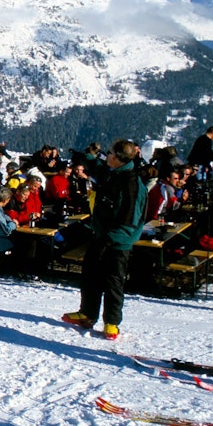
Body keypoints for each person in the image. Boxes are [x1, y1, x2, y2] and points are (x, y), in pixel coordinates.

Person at [63, 139, 147, 340]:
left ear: (117, 158)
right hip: (101, 235)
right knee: (90, 275)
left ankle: (111, 322)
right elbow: (98, 167)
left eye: (109, 153)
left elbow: (130, 220)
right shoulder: (114, 174)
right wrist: (88, 157)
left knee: (113, 281)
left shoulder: (131, 183)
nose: (106, 156)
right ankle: (87, 313)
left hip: (117, 241)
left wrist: (109, 239)